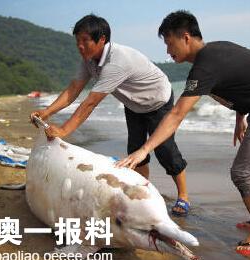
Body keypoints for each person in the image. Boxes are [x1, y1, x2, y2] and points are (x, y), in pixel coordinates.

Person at [116, 10, 250, 255]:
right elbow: (244, 82)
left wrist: (144, 149)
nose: (168, 52)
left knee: (242, 172)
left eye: (170, 43)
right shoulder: (215, 53)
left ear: (186, 37)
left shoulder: (205, 67)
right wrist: (239, 116)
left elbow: (177, 114)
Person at [30, 14, 190, 216]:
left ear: (102, 39)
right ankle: (145, 191)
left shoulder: (117, 61)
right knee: (135, 150)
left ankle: (183, 196)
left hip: (157, 100)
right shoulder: (89, 60)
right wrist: (46, 112)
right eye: (77, 41)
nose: (80, 46)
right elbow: (73, 89)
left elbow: (90, 103)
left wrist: (63, 130)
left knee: (166, 151)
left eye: (85, 41)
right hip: (133, 104)